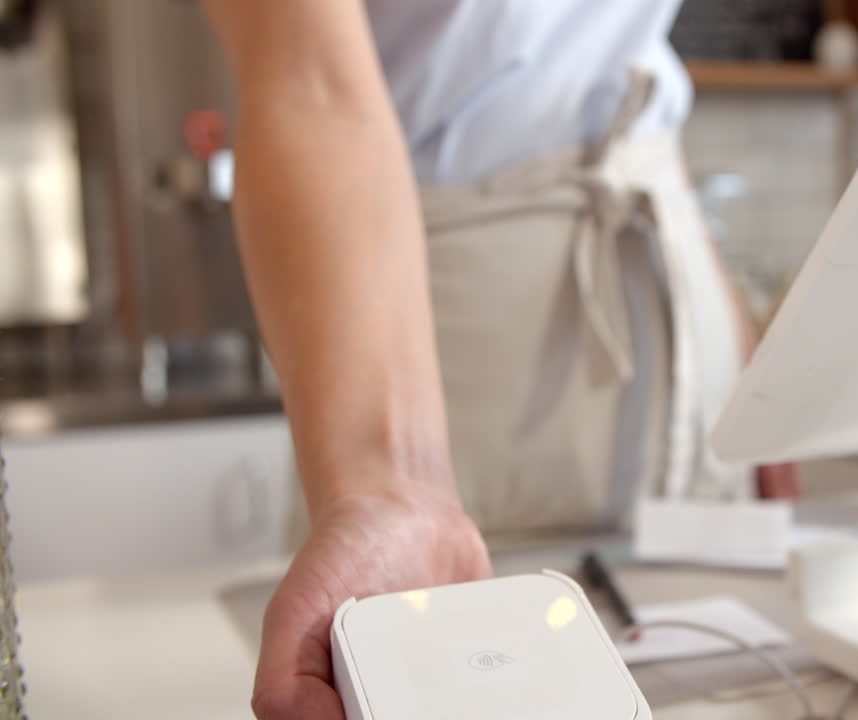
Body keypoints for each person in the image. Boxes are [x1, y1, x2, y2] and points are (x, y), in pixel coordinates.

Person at [201, 2, 796, 719]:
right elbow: (310, 80)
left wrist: (749, 370)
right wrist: (397, 487)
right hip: (444, 355)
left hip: (677, 304)